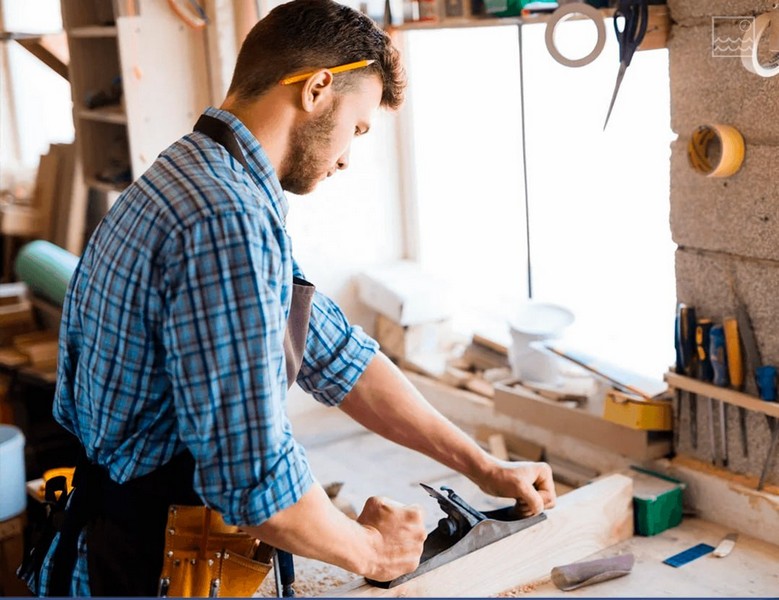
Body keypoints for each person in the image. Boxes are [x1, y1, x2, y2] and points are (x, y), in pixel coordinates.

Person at [30, 0, 555, 595]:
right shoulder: (224, 220)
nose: (347, 159)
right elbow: (251, 483)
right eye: (356, 128)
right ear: (318, 89)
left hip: (133, 532)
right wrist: (373, 552)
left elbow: (339, 356)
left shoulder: (199, 175)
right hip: (156, 561)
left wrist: (483, 466)